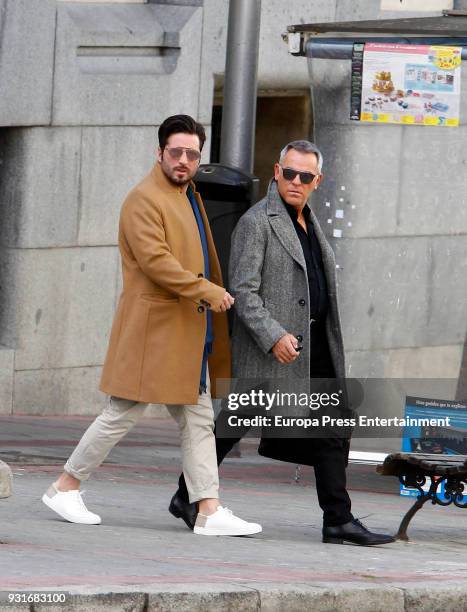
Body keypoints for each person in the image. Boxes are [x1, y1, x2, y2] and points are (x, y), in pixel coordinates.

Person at [41, 114, 261, 537]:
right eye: (175, 152)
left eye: (191, 154)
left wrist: (205, 295)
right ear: (159, 152)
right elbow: (157, 262)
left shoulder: (188, 194)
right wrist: (207, 291)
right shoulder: (144, 199)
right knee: (122, 412)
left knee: (198, 418)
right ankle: (65, 486)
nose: (183, 160)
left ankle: (209, 510)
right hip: (155, 331)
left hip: (182, 331)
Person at [169, 140, 394, 546]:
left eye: (304, 176)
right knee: (233, 425)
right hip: (273, 350)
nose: (295, 181)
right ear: (276, 172)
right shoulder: (259, 221)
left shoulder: (308, 219)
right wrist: (274, 336)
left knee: (333, 423)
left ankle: (337, 518)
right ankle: (187, 495)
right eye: (288, 173)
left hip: (314, 345)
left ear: (317, 181)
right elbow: (243, 290)